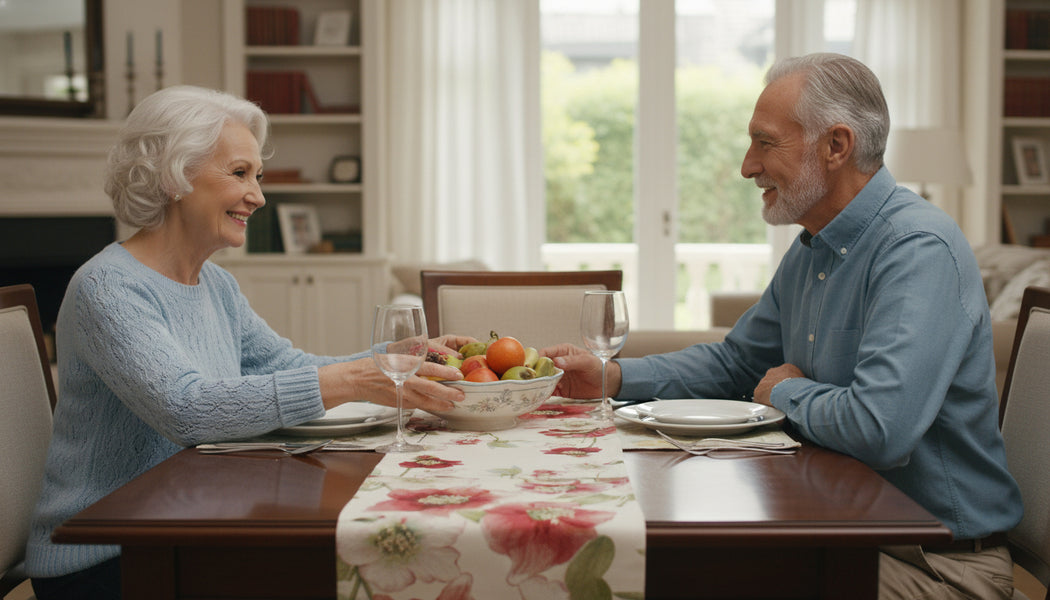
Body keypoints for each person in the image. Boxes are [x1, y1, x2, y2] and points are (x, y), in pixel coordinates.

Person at [544, 53, 1023, 599]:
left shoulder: (917, 250)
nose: (747, 166)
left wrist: (784, 390)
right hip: (848, 539)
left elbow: (878, 428)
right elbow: (736, 363)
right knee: (669, 569)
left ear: (836, 146)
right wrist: (613, 378)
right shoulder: (814, 247)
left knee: (683, 580)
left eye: (765, 143)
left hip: (939, 568)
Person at [24, 85, 470, 600]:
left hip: (185, 523)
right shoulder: (108, 288)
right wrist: (353, 380)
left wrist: (406, 357)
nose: (258, 196)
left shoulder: (214, 284)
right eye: (239, 174)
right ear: (175, 175)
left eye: (257, 176)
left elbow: (286, 365)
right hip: (106, 554)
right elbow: (187, 409)